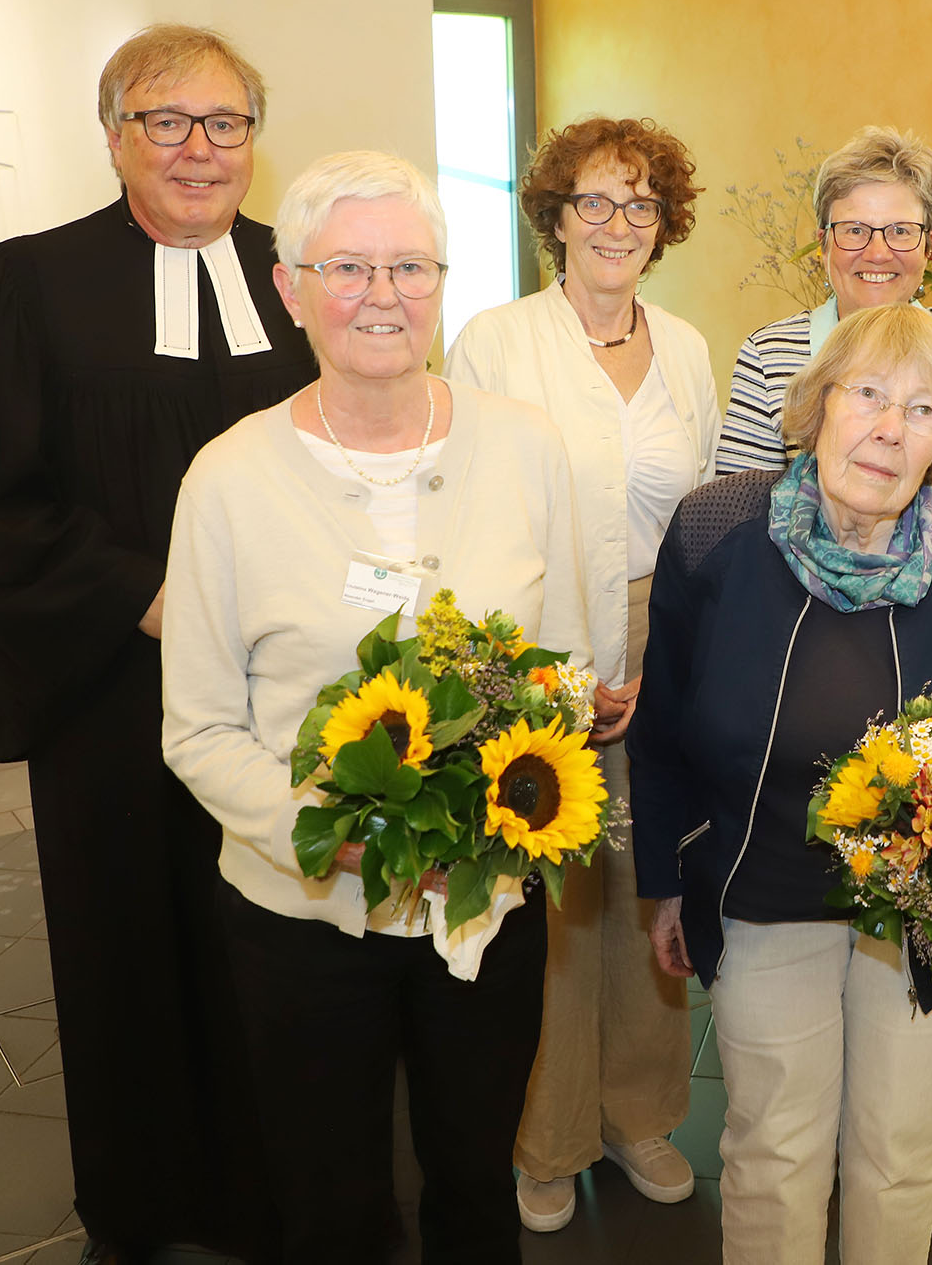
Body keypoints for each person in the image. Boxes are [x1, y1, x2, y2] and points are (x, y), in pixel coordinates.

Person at [161, 150, 595, 1264]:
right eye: (346, 266)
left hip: (482, 905)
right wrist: (351, 838)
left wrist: (492, 824)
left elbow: (568, 670)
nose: (382, 293)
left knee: (470, 1179)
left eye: (410, 264)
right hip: (299, 914)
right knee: (329, 1200)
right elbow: (198, 725)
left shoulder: (527, 448)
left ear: (443, 280)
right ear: (288, 285)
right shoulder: (227, 477)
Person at [0, 24, 312, 1263]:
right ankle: (143, 1204)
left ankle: (279, 1187)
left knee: (278, 932)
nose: (199, 150)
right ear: (114, 137)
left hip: (285, 687)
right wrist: (147, 597)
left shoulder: (301, 271)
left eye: (225, 123)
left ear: (255, 139)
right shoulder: (29, 280)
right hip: (114, 682)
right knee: (127, 942)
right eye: (167, 121)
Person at [630, 302, 932, 1263]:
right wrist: (664, 879)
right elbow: (660, 728)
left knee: (900, 1147)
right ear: (816, 403)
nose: (887, 427)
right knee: (774, 1146)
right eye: (865, 394)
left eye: (922, 410)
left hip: (924, 913)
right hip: (760, 890)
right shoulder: (715, 532)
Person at [444, 115, 717, 1231]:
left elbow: (704, 518)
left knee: (654, 881)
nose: (617, 224)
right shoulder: (496, 342)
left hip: (662, 650)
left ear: (665, 226)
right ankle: (543, 1137)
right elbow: (469, 508)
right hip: (534, 643)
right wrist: (555, 673)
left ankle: (638, 1113)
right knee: (554, 902)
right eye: (594, 202)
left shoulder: (691, 349)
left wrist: (669, 664)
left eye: (640, 204)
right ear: (554, 216)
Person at [716, 125, 932, 537]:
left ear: (928, 248)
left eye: (900, 231)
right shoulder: (768, 354)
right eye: (855, 230)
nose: (878, 253)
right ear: (823, 246)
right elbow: (732, 521)